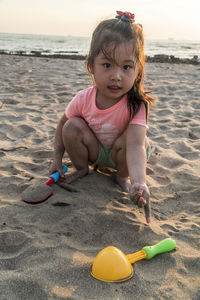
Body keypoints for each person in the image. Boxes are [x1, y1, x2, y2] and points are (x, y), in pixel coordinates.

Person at [49, 11, 156, 223]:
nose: (116, 75)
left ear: (137, 70)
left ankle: (122, 177)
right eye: (107, 65)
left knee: (137, 139)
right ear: (91, 66)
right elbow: (62, 126)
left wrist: (139, 182)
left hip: (125, 155)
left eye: (126, 67)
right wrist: (57, 158)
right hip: (96, 150)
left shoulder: (136, 104)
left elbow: (135, 146)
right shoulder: (83, 98)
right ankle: (82, 169)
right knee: (71, 125)